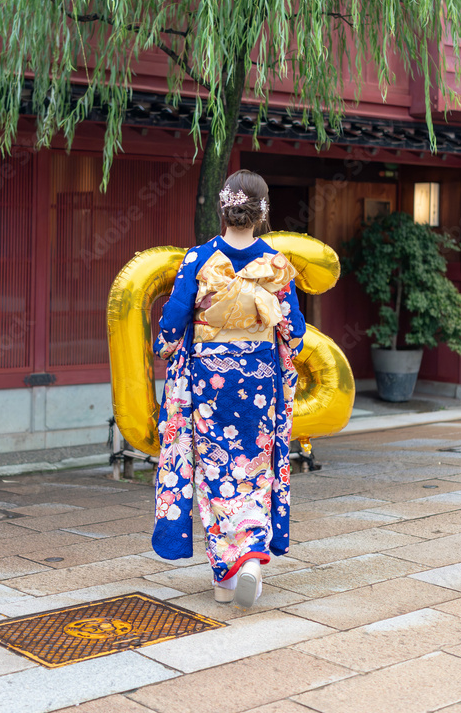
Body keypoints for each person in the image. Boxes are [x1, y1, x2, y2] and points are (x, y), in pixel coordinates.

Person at [151, 169, 306, 609]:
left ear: (223, 208)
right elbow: (294, 333)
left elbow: (171, 326)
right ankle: (244, 562)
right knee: (253, 468)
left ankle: (229, 571)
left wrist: (166, 346)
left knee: (214, 472)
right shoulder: (276, 265)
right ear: (264, 211)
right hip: (258, 382)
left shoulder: (198, 259)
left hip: (208, 382)